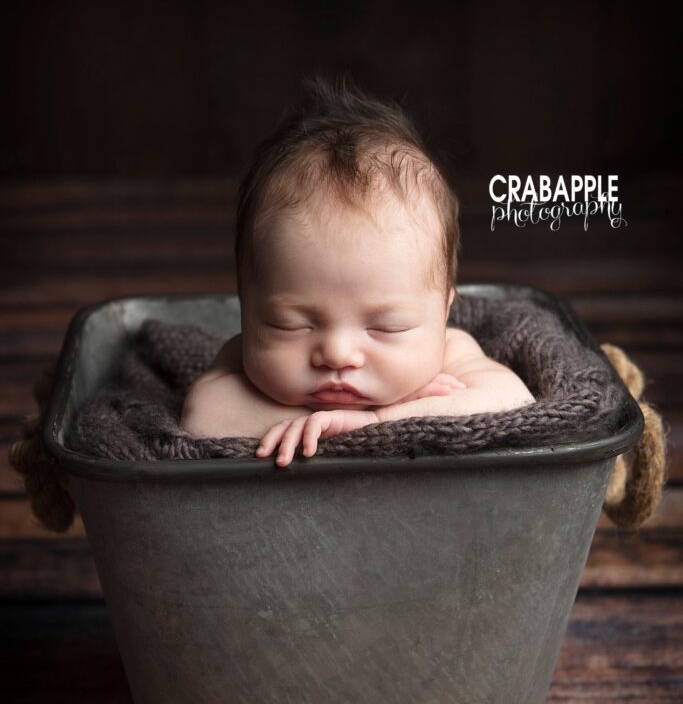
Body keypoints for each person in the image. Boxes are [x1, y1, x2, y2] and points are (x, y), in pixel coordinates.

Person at [180, 75, 535, 466]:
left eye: (386, 327)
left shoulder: (452, 351)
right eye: (290, 324)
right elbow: (203, 417)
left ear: (444, 311)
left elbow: (513, 402)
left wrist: (380, 421)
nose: (337, 354)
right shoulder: (240, 363)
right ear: (246, 304)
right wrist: (334, 425)